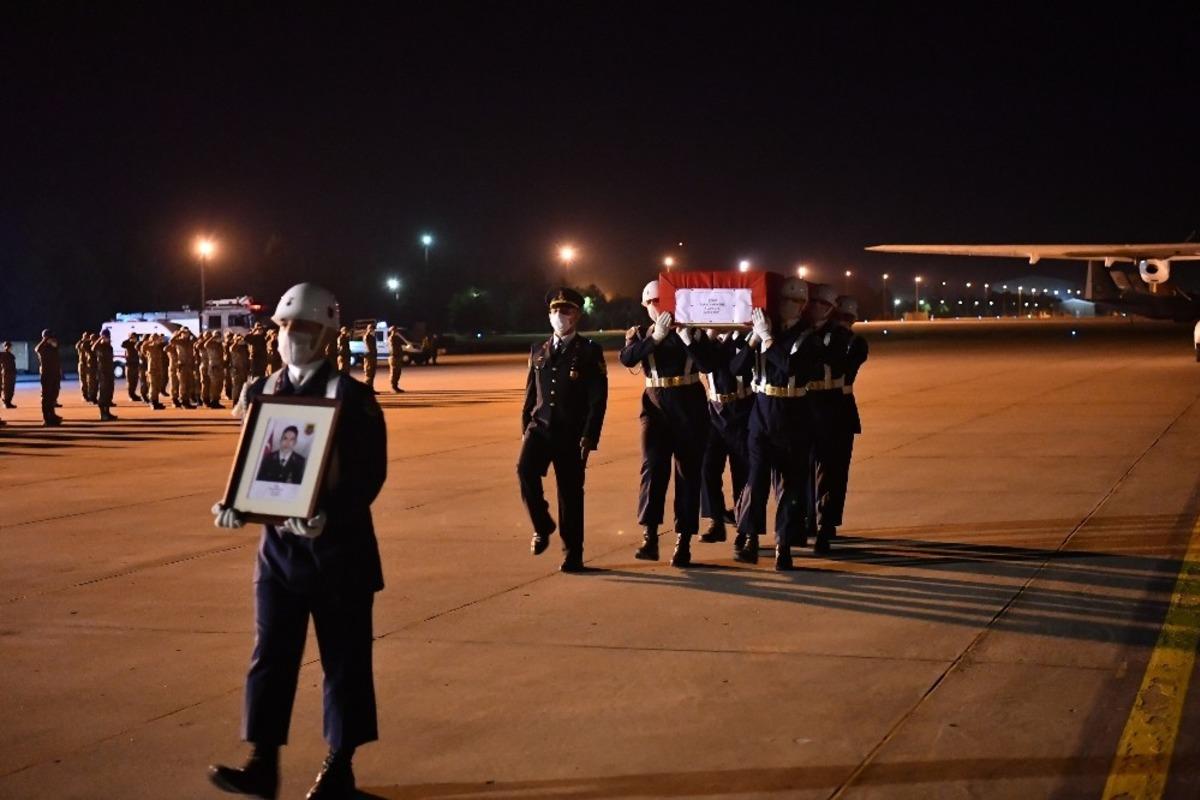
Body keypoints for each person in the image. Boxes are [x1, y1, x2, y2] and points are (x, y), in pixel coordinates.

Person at [209, 282, 387, 800]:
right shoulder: (265, 390)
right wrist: (237, 505)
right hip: (280, 553)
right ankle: (263, 763)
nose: (291, 338)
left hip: (340, 554)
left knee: (344, 663)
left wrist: (330, 515)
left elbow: (370, 474)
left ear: (327, 334)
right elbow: (256, 465)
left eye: (303, 328)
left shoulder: (353, 398)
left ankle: (340, 770)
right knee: (271, 657)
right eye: (285, 328)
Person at [618, 280, 714, 567]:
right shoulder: (640, 333)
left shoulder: (691, 331)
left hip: (689, 404)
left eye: (664, 301)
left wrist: (687, 338)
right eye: (653, 302)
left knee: (688, 473)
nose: (659, 307)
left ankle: (683, 541)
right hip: (655, 405)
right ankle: (649, 536)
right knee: (653, 468)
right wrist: (654, 339)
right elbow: (627, 359)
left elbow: (709, 364)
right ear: (646, 306)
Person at [735, 277, 822, 569]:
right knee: (755, 480)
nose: (788, 306)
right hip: (761, 413)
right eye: (784, 300)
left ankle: (783, 545)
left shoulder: (808, 337)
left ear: (803, 305)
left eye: (795, 301)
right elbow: (735, 369)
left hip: (794, 414)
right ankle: (750, 539)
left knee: (790, 485)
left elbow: (793, 367)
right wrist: (752, 340)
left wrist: (767, 339)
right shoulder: (763, 331)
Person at [518, 288, 608, 572]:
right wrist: (525, 428)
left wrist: (590, 435)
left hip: (571, 434)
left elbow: (598, 398)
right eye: (555, 310)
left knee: (570, 493)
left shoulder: (590, 351)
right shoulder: (538, 350)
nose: (559, 316)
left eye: (566, 311)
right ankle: (542, 526)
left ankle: (573, 553)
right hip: (540, 428)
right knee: (524, 471)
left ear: (577, 315)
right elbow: (531, 395)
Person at [809, 295, 869, 545]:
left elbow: (839, 362)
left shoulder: (853, 342)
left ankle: (826, 522)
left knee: (833, 471)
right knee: (816, 471)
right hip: (818, 408)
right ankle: (813, 521)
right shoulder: (822, 337)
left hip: (836, 409)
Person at [698, 327, 754, 546]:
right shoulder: (705, 340)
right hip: (714, 408)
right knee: (707, 467)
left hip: (742, 407)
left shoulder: (745, 336)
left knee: (741, 469)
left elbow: (740, 367)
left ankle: (743, 525)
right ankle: (716, 520)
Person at [35, 329, 63, 426]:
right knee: (46, 396)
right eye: (50, 337)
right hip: (47, 375)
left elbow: (56, 346)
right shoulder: (43, 348)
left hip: (54, 374)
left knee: (52, 396)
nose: (53, 339)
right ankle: (46, 418)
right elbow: (37, 349)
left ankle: (52, 415)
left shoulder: (53, 347)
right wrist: (44, 340)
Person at [92, 330, 118, 421]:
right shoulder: (100, 346)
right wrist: (100, 338)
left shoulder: (109, 347)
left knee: (109, 393)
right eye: (106, 336)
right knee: (103, 393)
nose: (108, 338)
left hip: (109, 372)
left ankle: (107, 412)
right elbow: (93, 348)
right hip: (102, 373)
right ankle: (103, 414)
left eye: (108, 336)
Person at [122, 333, 142, 401]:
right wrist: (129, 339)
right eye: (133, 337)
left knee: (135, 381)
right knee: (130, 382)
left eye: (135, 337)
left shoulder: (136, 344)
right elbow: (122, 344)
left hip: (136, 364)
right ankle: (131, 395)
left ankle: (134, 394)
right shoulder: (128, 344)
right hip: (129, 365)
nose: (134, 339)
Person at [386, 326, 405, 393]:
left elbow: (399, 347)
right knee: (394, 373)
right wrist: (397, 355)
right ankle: (393, 387)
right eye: (394, 330)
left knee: (398, 372)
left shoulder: (396, 338)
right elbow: (393, 349)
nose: (396, 332)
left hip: (398, 357)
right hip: (394, 357)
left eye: (396, 330)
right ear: (392, 331)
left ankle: (396, 386)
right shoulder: (391, 338)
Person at [0, 341, 16, 408]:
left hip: (12, 374)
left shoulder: (11, 355)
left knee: (11, 389)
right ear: (4, 347)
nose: (8, 347)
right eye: (7, 346)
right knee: (6, 389)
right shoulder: (2, 354)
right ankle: (6, 403)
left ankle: (9, 402)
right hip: (6, 374)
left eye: (9, 346)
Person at [361, 327, 377, 392]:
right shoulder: (366, 336)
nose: (372, 330)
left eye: (372, 329)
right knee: (368, 374)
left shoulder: (372, 337)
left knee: (372, 374)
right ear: (368, 329)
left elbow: (373, 347)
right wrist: (371, 353)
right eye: (370, 329)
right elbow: (368, 348)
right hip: (369, 358)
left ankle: (371, 389)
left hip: (372, 357)